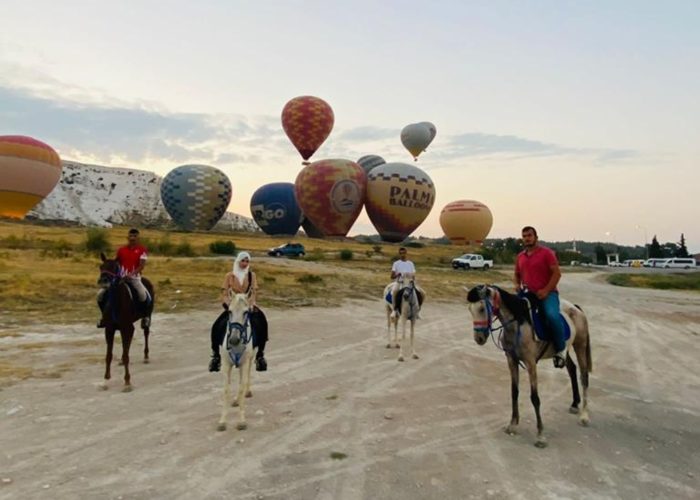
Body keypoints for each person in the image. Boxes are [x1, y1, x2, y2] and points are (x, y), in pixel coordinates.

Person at [514, 226, 567, 368]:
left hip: (547, 294)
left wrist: (546, 290)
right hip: (527, 294)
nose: (527, 238)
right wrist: (517, 285)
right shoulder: (520, 257)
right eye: (524, 236)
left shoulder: (547, 253)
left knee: (551, 315)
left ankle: (561, 349)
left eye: (529, 235)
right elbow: (517, 275)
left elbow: (557, 274)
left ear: (536, 237)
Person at [209, 252, 268, 372]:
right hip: (233, 306)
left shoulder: (252, 275)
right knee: (217, 326)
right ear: (238, 261)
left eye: (247, 261)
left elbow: (254, 292)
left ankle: (260, 355)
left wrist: (251, 304)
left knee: (262, 322)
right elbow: (225, 292)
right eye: (243, 261)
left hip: (247, 306)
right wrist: (228, 303)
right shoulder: (229, 276)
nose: (245, 263)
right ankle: (216, 356)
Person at [97, 228, 151, 328]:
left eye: (134, 236)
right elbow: (117, 263)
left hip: (135, 278)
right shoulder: (121, 250)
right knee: (100, 294)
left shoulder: (142, 250)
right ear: (128, 237)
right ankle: (104, 317)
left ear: (138, 238)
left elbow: (141, 266)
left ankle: (145, 317)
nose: (132, 238)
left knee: (143, 295)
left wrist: (131, 274)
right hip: (120, 277)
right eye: (130, 236)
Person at [390, 247, 418, 320]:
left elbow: (414, 274)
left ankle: (417, 311)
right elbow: (392, 276)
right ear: (399, 254)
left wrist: (412, 277)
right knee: (394, 291)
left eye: (404, 253)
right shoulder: (396, 263)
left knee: (420, 292)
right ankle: (394, 310)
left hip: (409, 282)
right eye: (401, 253)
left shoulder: (410, 263)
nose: (403, 254)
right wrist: (397, 274)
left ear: (406, 253)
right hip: (399, 282)